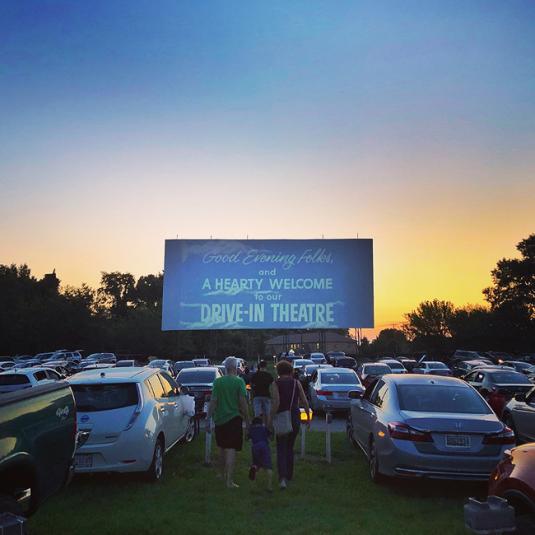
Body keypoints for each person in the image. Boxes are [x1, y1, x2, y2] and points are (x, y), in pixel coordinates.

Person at [207, 356, 249, 489]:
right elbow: (243, 402)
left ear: (225, 367)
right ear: (235, 367)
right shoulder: (239, 382)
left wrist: (208, 417)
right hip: (234, 419)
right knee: (231, 450)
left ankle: (220, 474)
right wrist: (248, 419)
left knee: (221, 448)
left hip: (220, 420)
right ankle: (229, 481)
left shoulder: (218, 382)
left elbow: (213, 401)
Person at [271, 360, 310, 490]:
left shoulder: (275, 384)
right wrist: (308, 417)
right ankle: (289, 474)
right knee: (290, 447)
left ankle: (282, 478)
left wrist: (270, 418)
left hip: (282, 416)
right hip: (294, 416)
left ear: (279, 371)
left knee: (281, 446)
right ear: (290, 370)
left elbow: (276, 402)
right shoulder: (296, 383)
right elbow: (304, 401)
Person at [247, 416, 273, 491]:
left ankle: (254, 468)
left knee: (256, 464)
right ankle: (269, 486)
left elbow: (246, 438)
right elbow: (271, 437)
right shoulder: (264, 428)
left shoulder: (252, 429)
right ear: (261, 423)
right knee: (268, 467)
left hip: (255, 447)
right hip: (264, 446)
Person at [251, 360, 274, 425]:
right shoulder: (269, 375)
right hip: (266, 395)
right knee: (268, 413)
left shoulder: (255, 375)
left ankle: (258, 427)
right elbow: (272, 386)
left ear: (259, 367)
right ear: (266, 367)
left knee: (257, 414)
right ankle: (267, 427)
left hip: (257, 396)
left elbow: (251, 385)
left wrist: (252, 394)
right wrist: (272, 396)